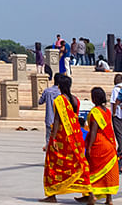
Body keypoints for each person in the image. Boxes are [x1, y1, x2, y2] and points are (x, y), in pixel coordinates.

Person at [42, 73, 90, 202]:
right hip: (76, 136)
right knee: (78, 163)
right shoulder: (75, 99)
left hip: (62, 137)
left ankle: (52, 194)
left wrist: (53, 138)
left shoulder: (60, 100)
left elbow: (57, 120)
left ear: (59, 86)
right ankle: (87, 192)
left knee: (52, 164)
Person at [85, 87, 119, 203]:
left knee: (91, 171)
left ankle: (92, 195)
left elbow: (94, 131)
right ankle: (109, 199)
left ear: (94, 99)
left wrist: (89, 147)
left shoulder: (95, 112)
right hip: (109, 144)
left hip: (98, 144)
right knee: (107, 173)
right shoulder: (107, 111)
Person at [39, 75, 62, 150]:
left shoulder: (47, 91)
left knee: (49, 138)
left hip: (49, 118)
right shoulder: (61, 93)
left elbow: (40, 102)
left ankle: (49, 157)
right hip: (60, 120)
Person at [110, 74, 122, 165]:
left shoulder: (116, 89)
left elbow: (114, 102)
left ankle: (119, 161)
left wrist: (114, 114)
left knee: (119, 137)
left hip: (118, 116)